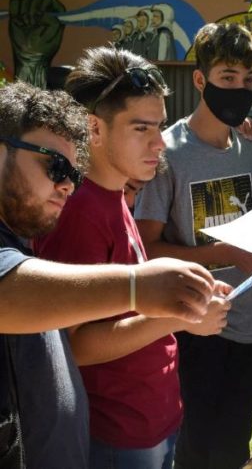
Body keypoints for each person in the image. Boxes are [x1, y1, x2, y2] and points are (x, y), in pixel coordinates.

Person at [0, 81, 217, 468]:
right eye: (55, 165)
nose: (67, 184)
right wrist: (139, 288)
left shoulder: (23, 234)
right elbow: (7, 294)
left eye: (74, 173)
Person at [134, 22, 252, 469]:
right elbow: (148, 250)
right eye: (227, 78)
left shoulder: (250, 147)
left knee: (233, 452)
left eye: (248, 80)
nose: (239, 89)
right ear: (200, 79)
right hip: (191, 326)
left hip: (247, 323)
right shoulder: (169, 153)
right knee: (194, 455)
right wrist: (227, 254)